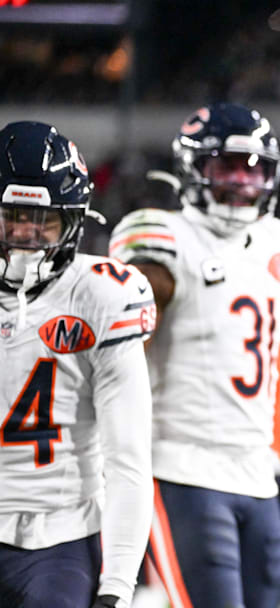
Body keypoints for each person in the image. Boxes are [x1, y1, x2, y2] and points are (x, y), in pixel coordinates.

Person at [108, 102, 280, 608]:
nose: (243, 182)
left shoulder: (278, 245)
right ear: (194, 170)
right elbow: (115, 368)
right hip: (180, 467)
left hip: (256, 477)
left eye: (255, 168)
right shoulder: (162, 237)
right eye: (227, 166)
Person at [0, 121, 154, 607]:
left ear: (72, 221)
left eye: (41, 220)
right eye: (12, 216)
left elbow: (128, 459)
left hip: (61, 535)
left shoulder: (100, 297)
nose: (25, 234)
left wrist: (117, 587)